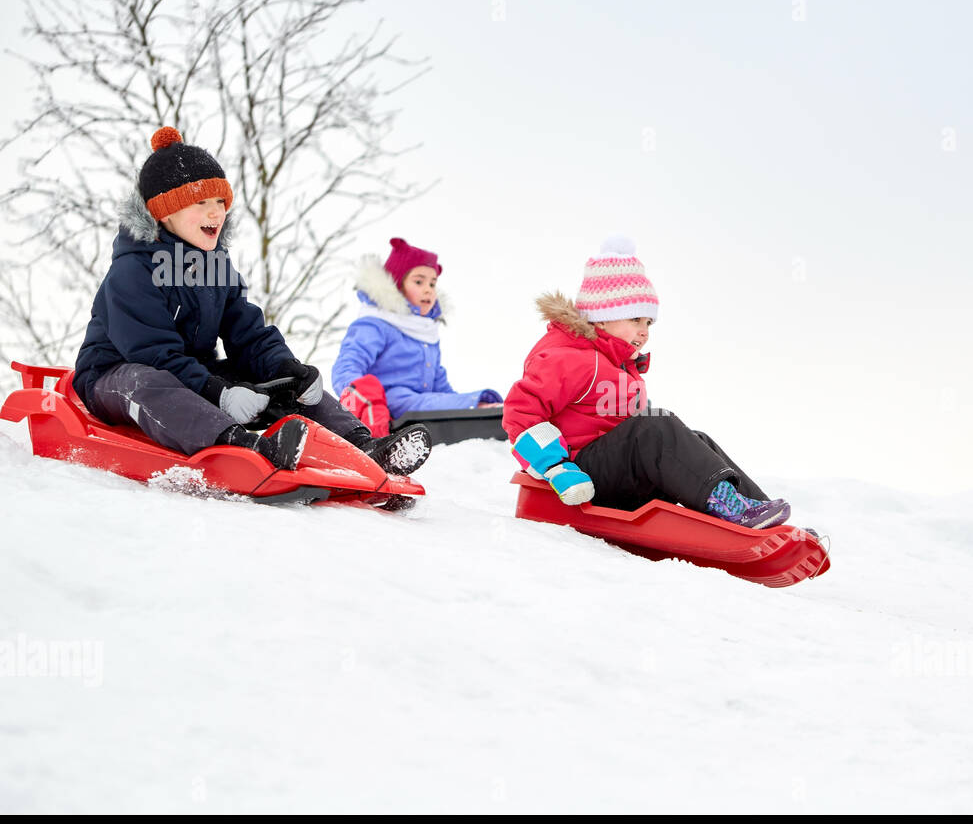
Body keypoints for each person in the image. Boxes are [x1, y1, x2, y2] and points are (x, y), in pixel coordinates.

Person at [72, 127, 432, 475]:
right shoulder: (132, 271)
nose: (217, 213)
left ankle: (366, 447)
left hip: (191, 375)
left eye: (220, 202)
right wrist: (219, 392)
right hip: (114, 376)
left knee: (283, 381)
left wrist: (285, 369)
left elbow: (247, 332)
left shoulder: (215, 265)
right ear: (165, 212)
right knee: (148, 381)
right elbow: (151, 353)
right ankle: (245, 450)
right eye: (201, 202)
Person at [502, 235, 790, 528]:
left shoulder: (619, 367)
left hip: (616, 477)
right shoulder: (570, 357)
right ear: (602, 318)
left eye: (648, 323)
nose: (645, 332)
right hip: (577, 479)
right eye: (636, 320)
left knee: (697, 439)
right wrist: (556, 467)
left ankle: (760, 513)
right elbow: (521, 413)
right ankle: (730, 507)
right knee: (655, 426)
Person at [332, 238, 502, 436]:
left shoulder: (425, 332)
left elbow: (438, 382)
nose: (428, 289)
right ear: (397, 284)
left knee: (433, 399)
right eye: (419, 281)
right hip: (387, 402)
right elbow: (347, 366)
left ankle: (480, 412)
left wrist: (460, 406)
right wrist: (361, 396)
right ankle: (478, 407)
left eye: (432, 283)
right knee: (408, 398)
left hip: (422, 403)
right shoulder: (375, 323)